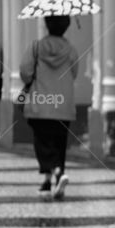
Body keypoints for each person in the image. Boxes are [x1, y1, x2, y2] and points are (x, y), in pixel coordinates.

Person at [19, 15, 78, 200]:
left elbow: (25, 73)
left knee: (43, 143)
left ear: (46, 25)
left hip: (40, 103)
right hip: (63, 104)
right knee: (59, 142)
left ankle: (57, 172)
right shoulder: (70, 49)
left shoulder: (36, 47)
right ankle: (47, 182)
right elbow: (74, 73)